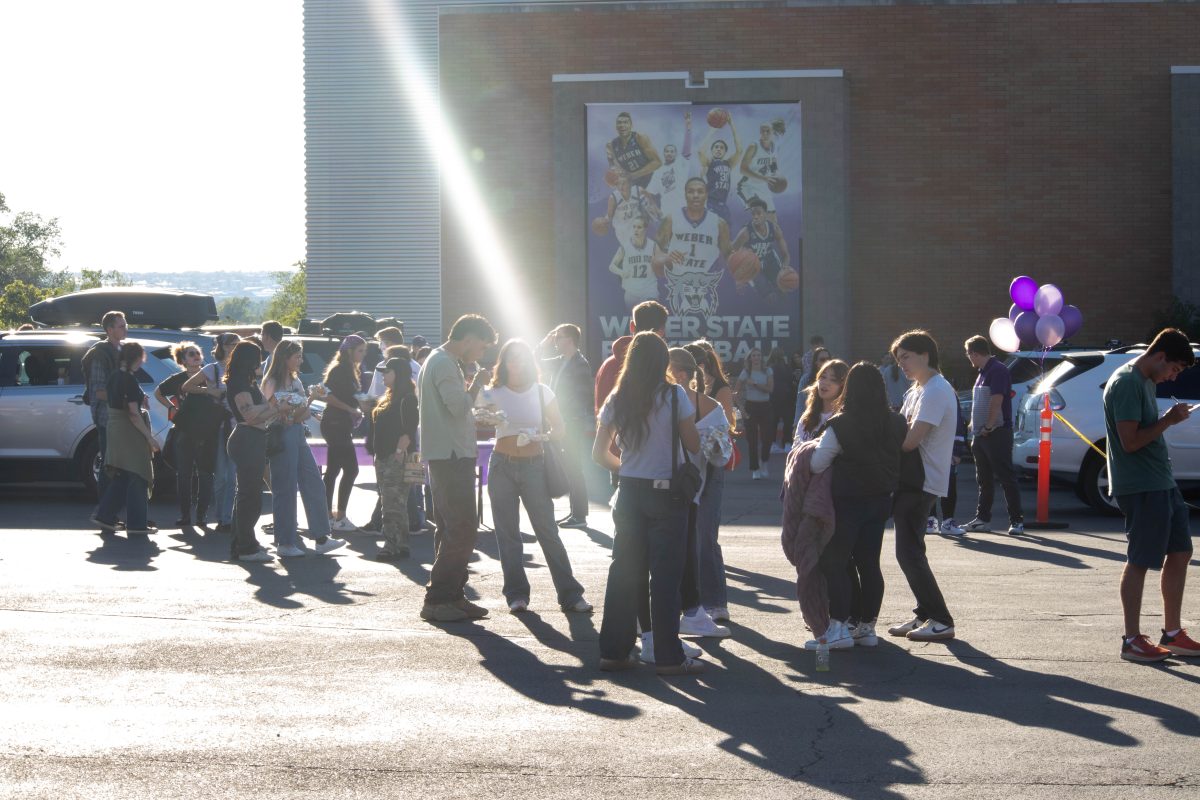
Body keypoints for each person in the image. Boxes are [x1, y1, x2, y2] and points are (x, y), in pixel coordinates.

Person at [593, 332, 704, 676]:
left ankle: (614, 651)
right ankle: (669, 656)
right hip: (667, 494)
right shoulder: (675, 396)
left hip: (629, 492)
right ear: (662, 363)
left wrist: (627, 469)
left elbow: (599, 454)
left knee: (624, 571)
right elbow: (694, 444)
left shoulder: (617, 397)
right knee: (666, 577)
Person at [1102, 328, 1200, 662]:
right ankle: (1132, 639)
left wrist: (1165, 421)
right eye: (1174, 369)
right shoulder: (1127, 382)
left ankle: (1172, 633)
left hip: (1161, 481)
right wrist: (1169, 421)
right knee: (1141, 559)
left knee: (1181, 551)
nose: (1173, 378)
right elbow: (1129, 442)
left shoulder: (1144, 381)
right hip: (1140, 485)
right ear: (1160, 356)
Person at [475, 340, 591, 614]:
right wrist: (486, 420)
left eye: (522, 358)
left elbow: (560, 427)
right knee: (507, 533)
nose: (517, 364)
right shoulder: (492, 392)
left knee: (547, 530)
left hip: (534, 464)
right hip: (502, 463)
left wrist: (546, 435)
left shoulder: (542, 391)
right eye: (511, 359)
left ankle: (571, 594)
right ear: (503, 363)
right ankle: (516, 594)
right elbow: (479, 419)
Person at [808, 363, 906, 650]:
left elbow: (817, 464)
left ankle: (838, 627)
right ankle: (867, 628)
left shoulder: (841, 423)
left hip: (847, 502)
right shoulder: (896, 422)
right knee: (869, 564)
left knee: (833, 561)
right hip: (880, 502)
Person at [418, 314, 497, 623]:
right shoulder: (443, 363)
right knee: (462, 528)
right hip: (450, 455)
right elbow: (458, 407)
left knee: (451, 528)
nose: (481, 355)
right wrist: (476, 382)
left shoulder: (441, 361)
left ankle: (451, 595)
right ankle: (438, 598)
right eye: (481, 347)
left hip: (448, 453)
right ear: (468, 339)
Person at [887, 330, 958, 642]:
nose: (901, 364)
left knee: (909, 552)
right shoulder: (917, 389)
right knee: (911, 549)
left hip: (922, 480)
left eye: (906, 357)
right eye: (898, 359)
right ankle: (924, 613)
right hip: (912, 480)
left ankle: (941, 619)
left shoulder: (936, 391)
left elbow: (909, 441)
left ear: (925, 355)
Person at [260, 341, 346, 558]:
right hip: (281, 434)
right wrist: (306, 403)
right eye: (297, 356)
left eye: (300, 356)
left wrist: (309, 401)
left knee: (313, 481)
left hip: (297, 433)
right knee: (285, 488)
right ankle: (285, 542)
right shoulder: (272, 381)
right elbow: (280, 415)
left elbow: (299, 414)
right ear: (285, 357)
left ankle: (321, 537)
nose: (300, 360)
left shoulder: (295, 379)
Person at [669, 347, 731, 643]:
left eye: (665, 369)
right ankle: (686, 608)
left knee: (704, 537)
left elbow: (722, 452)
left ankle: (715, 603)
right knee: (679, 542)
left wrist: (711, 443)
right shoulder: (660, 402)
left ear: (681, 375)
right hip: (674, 481)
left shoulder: (710, 406)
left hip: (706, 476)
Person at [685, 342, 733, 624]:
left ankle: (716, 601)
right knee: (688, 536)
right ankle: (693, 600)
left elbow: (723, 428)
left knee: (705, 536)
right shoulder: (679, 393)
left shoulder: (718, 392)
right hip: (686, 468)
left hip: (711, 467)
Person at [90, 341, 159, 536]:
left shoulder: (115, 376)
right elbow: (133, 414)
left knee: (123, 473)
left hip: (115, 428)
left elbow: (113, 397)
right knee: (138, 473)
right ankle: (137, 523)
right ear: (136, 358)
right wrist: (149, 438)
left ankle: (105, 515)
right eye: (141, 358)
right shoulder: (128, 379)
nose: (142, 362)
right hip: (128, 430)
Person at [223, 341, 281, 562]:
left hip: (252, 439)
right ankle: (246, 547)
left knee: (245, 495)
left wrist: (273, 406)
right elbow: (249, 415)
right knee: (250, 497)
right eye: (258, 357)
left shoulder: (247, 382)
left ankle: (242, 543)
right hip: (247, 438)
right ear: (250, 360)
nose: (260, 362)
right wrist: (274, 408)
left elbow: (261, 410)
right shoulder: (239, 383)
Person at [962, 336, 1025, 535]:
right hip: (981, 434)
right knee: (984, 479)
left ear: (975, 353)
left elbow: (997, 399)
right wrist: (975, 426)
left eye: (969, 354)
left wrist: (989, 426)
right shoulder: (983, 372)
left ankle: (1017, 521)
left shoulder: (997, 370)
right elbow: (981, 402)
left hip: (996, 432)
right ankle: (982, 519)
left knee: (1006, 477)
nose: (969, 358)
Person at [182, 333, 240, 532]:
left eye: (237, 344)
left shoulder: (241, 368)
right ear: (222, 347)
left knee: (232, 476)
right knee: (222, 474)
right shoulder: (212, 369)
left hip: (238, 425)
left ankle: (227, 518)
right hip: (219, 427)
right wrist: (209, 391)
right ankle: (221, 517)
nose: (235, 347)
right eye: (232, 344)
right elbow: (187, 386)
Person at [653, 178, 735, 317]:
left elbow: (728, 257)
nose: (695, 195)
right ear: (685, 194)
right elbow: (656, 256)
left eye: (700, 191)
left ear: (706, 195)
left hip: (706, 284)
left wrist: (742, 266)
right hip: (676, 282)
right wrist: (666, 257)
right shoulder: (671, 219)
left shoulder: (719, 224)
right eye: (691, 191)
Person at [538, 324, 594, 529]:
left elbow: (585, 396)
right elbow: (534, 362)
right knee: (569, 467)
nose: (556, 341)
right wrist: (543, 344)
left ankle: (579, 515)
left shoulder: (580, 363)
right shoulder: (561, 361)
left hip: (572, 423)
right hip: (563, 421)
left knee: (574, 467)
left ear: (569, 339)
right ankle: (576, 513)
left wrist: (569, 418)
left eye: (559, 338)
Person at [154, 341, 213, 527]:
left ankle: (202, 514)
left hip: (206, 431)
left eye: (197, 352)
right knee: (184, 475)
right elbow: (158, 393)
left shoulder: (210, 376)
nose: (196, 356)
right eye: (190, 354)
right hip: (183, 431)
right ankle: (185, 515)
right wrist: (172, 407)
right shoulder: (177, 379)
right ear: (183, 360)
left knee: (205, 474)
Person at [370, 356, 419, 561]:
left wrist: (398, 454)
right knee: (396, 502)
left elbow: (408, 431)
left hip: (396, 457)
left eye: (387, 372)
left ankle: (391, 545)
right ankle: (402, 543)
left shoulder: (407, 398)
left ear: (398, 373)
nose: (383, 376)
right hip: (383, 456)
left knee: (391, 503)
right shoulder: (389, 397)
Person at [320, 334, 367, 532]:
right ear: (349, 351)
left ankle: (327, 516)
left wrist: (360, 406)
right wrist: (350, 409)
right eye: (360, 350)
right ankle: (338, 516)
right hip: (335, 423)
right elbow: (326, 395)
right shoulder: (339, 370)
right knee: (351, 469)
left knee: (333, 471)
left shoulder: (350, 370)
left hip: (341, 424)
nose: (363, 355)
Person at [83, 311, 127, 500]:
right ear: (109, 329)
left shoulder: (123, 350)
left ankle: (113, 510)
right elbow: (99, 391)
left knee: (122, 465)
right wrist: (126, 400)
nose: (126, 329)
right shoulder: (100, 354)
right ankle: (104, 512)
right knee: (109, 465)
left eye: (125, 325)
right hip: (106, 417)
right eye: (121, 326)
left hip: (122, 415)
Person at [731, 197, 790, 301]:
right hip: (752, 266)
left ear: (766, 214)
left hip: (770, 260)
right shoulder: (745, 232)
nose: (755, 217)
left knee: (784, 290)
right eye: (753, 214)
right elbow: (731, 253)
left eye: (759, 213)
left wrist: (784, 269)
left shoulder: (774, 229)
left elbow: (785, 254)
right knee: (769, 298)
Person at [735, 347, 774, 480]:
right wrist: (742, 408)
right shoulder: (746, 372)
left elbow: (770, 389)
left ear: (761, 358)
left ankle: (764, 462)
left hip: (765, 406)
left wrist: (755, 383)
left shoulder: (767, 370)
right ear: (750, 359)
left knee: (767, 438)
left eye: (758, 355)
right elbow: (736, 392)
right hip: (751, 406)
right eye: (754, 356)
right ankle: (755, 468)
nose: (756, 358)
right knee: (752, 440)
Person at [607, 216, 662, 308]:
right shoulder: (625, 246)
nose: (636, 230)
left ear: (645, 229)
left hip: (649, 289)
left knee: (650, 317)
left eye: (639, 227)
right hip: (631, 291)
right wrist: (621, 272)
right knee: (635, 320)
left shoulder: (653, 246)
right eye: (634, 227)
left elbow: (662, 262)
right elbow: (612, 266)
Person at [645, 112, 692, 221]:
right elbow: (649, 193)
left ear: (676, 154)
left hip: (684, 211)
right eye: (667, 151)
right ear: (664, 153)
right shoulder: (658, 172)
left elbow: (687, 148)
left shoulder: (681, 163)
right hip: (666, 214)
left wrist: (688, 128)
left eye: (672, 151)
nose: (669, 153)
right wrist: (654, 209)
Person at [737, 119, 787, 221]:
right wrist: (764, 178)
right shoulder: (753, 146)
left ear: (773, 132)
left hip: (762, 187)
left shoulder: (774, 147)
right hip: (747, 186)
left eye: (767, 131)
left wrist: (777, 175)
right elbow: (742, 169)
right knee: (759, 211)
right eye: (762, 131)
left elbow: (773, 164)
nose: (764, 133)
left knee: (773, 220)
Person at [698, 113, 742, 224]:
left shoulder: (728, 163)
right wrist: (713, 130)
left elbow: (739, 151)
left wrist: (732, 125)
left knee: (726, 237)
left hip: (724, 206)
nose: (718, 149)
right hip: (710, 204)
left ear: (725, 152)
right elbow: (700, 151)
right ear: (712, 150)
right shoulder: (709, 163)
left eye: (721, 148)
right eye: (716, 147)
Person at [794, 359, 849, 445]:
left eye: (833, 380)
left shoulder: (843, 420)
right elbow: (794, 450)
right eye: (823, 377)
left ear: (843, 386)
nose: (826, 383)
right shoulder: (807, 416)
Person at [605, 110, 661, 189]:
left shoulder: (640, 138)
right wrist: (615, 172)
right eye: (619, 123)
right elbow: (612, 165)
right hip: (632, 185)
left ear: (631, 125)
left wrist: (634, 175)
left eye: (625, 122)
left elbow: (657, 162)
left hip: (651, 182)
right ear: (616, 126)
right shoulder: (611, 146)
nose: (622, 125)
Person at [767, 348, 795, 452]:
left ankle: (772, 444)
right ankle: (787, 443)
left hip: (772, 397)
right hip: (787, 397)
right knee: (788, 421)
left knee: (772, 422)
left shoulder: (768, 368)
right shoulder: (787, 367)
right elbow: (791, 379)